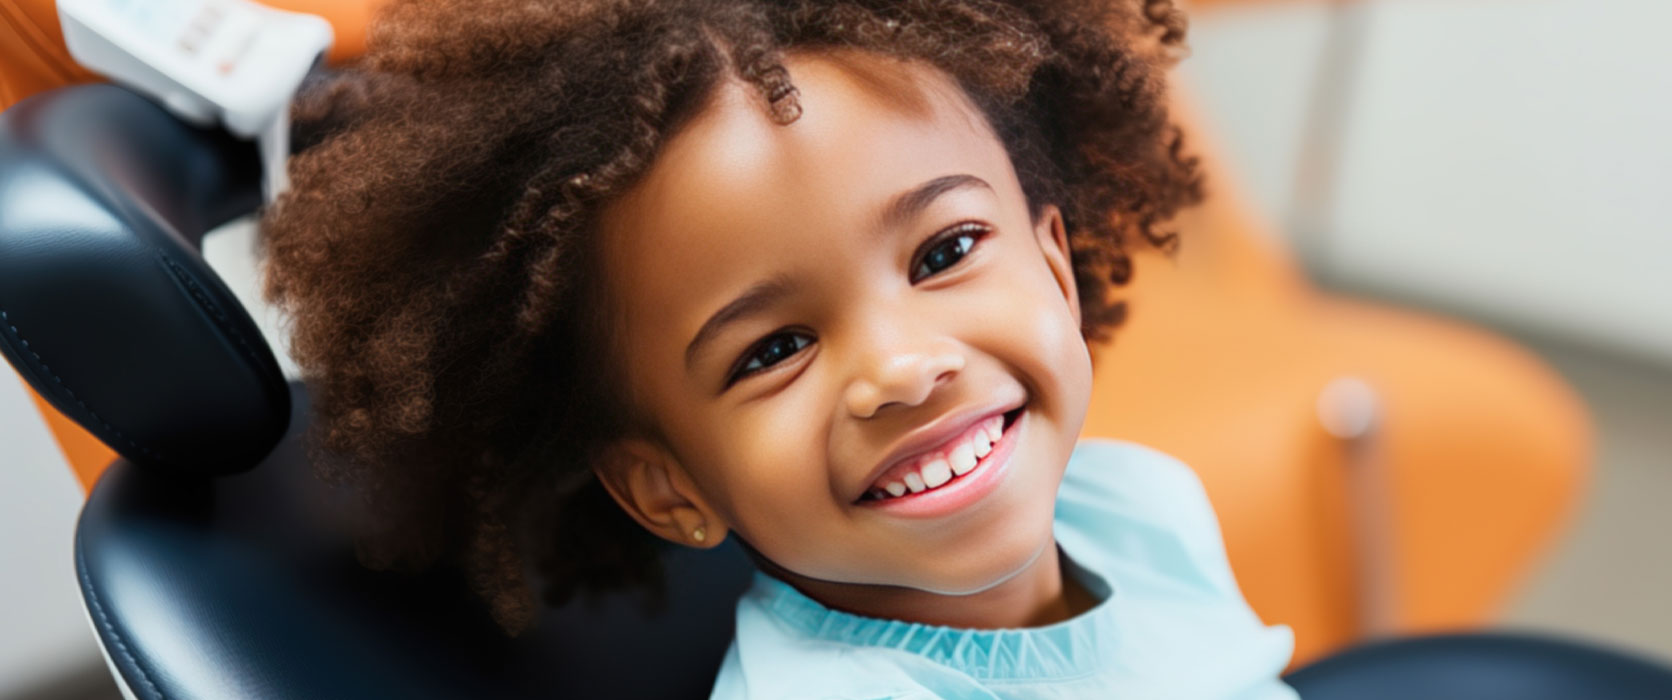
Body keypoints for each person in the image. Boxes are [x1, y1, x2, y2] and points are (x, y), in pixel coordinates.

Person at [256, 1, 1299, 697]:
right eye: (774, 349)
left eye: (943, 251)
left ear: (1056, 269)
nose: (900, 365)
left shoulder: (1143, 510)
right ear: (668, 487)